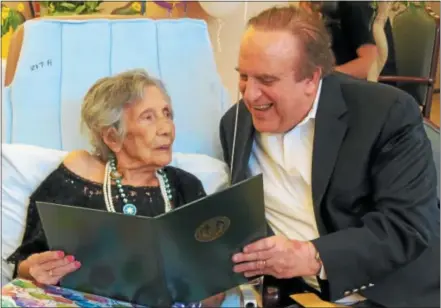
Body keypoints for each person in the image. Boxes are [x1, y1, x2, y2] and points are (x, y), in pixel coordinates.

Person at [220, 6, 439, 308]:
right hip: (301, 297)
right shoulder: (235, 124)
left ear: (311, 79)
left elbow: (407, 226)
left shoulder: (385, 114)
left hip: (392, 295)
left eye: (267, 81)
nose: (250, 94)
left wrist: (311, 256)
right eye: (244, 76)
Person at [6, 69, 224, 307]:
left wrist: (207, 289)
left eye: (167, 114)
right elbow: (26, 265)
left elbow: (214, 289)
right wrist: (36, 269)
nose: (166, 129)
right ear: (112, 137)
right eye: (148, 117)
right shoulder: (76, 178)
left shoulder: (185, 187)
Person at [300, 1, 378, 80]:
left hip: (369, 86)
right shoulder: (330, 11)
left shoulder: (355, 7)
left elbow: (370, 64)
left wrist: (322, 77)